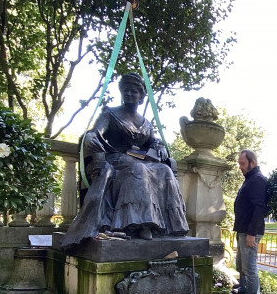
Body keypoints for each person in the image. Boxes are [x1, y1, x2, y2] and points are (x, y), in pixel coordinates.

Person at [60, 73, 188, 249]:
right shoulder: (110, 114)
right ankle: (139, 225)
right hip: (116, 159)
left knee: (165, 171)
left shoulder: (146, 122)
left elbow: (153, 140)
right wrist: (90, 137)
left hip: (140, 160)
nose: (129, 94)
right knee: (138, 169)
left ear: (141, 97)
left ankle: (169, 225)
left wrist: (159, 145)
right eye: (126, 91)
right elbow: (95, 132)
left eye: (134, 91)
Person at [231, 149, 268, 294]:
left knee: (249, 269)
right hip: (244, 231)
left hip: (249, 232)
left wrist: (251, 233)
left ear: (252, 163)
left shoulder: (257, 180)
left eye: (243, 163)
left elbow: (259, 208)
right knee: (241, 267)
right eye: (239, 163)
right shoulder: (250, 179)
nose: (240, 167)